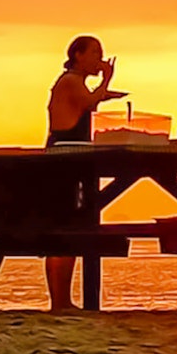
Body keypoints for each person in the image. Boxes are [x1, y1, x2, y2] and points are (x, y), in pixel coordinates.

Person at [45, 35, 124, 311]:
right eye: (94, 53)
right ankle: (60, 300)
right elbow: (88, 104)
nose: (99, 59)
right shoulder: (70, 81)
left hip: (69, 156)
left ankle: (61, 300)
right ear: (78, 55)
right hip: (65, 156)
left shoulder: (75, 83)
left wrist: (102, 91)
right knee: (66, 225)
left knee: (69, 224)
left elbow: (86, 102)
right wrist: (106, 80)